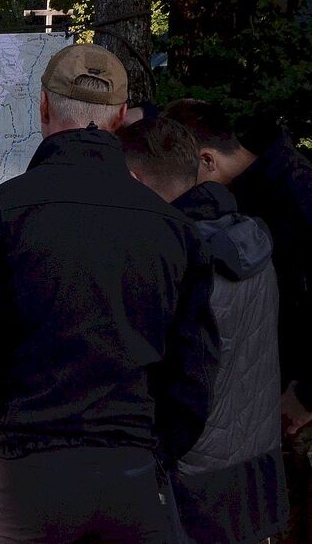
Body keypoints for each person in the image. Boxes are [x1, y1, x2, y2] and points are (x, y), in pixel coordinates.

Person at [0, 44, 219, 543]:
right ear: (123, 117)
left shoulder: (3, 212)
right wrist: (150, 456)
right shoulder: (175, 229)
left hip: (16, 479)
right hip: (130, 478)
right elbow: (194, 373)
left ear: (43, 107)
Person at [120, 116, 288, 543]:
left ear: (134, 179)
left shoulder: (174, 259)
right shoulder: (251, 238)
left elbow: (179, 382)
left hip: (189, 486)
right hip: (253, 473)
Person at [167, 99, 312, 540]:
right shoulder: (263, 187)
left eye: (177, 174)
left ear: (206, 159)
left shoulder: (296, 192)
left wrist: (305, 394)